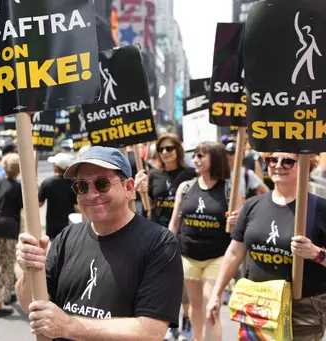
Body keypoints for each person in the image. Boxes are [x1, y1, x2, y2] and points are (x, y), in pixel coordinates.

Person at [15, 146, 184, 341]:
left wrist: (69, 326)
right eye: (82, 186)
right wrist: (29, 271)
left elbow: (151, 331)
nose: (91, 194)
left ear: (129, 188)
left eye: (102, 184)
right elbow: (29, 303)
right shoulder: (67, 237)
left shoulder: (160, 244)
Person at [206, 153, 326, 341]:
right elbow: (235, 252)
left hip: (302, 309)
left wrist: (315, 253)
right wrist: (216, 293)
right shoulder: (253, 205)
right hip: (257, 303)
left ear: (305, 165)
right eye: (272, 160)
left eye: (287, 161)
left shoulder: (320, 208)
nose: (278, 166)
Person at [168, 141, 241, 341]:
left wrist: (235, 220)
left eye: (201, 155)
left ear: (215, 159)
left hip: (217, 257)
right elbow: (175, 223)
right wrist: (167, 249)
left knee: (211, 306)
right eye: (195, 155)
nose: (196, 159)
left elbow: (241, 227)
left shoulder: (229, 189)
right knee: (195, 306)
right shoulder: (185, 188)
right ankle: (198, 338)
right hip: (188, 256)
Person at [135, 133, 196, 341]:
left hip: (185, 233)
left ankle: (187, 317)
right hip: (159, 233)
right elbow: (148, 208)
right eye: (161, 150)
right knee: (165, 283)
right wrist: (141, 192)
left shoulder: (190, 174)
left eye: (169, 148)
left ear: (177, 150)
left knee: (184, 282)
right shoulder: (153, 176)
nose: (165, 153)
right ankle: (170, 322)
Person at [0, 153, 23, 318]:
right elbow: (25, 210)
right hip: (8, 227)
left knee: (2, 261)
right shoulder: (18, 187)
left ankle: (8, 291)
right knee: (6, 266)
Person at [39, 153, 79, 241]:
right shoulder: (75, 183)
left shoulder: (47, 183)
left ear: (55, 167)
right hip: (70, 226)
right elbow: (77, 207)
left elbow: (39, 204)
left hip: (53, 228)